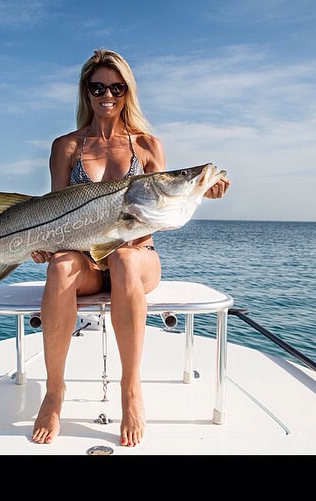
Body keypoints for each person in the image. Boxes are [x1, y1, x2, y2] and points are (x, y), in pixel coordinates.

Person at [29, 48, 230, 447]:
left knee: (122, 257)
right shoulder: (66, 147)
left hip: (139, 258)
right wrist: (45, 244)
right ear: (85, 91)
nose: (108, 94)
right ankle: (54, 392)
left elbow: (166, 203)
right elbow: (55, 210)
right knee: (59, 267)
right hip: (85, 259)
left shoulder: (147, 146)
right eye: (98, 86)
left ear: (127, 91)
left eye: (117, 87)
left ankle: (130, 390)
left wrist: (204, 189)